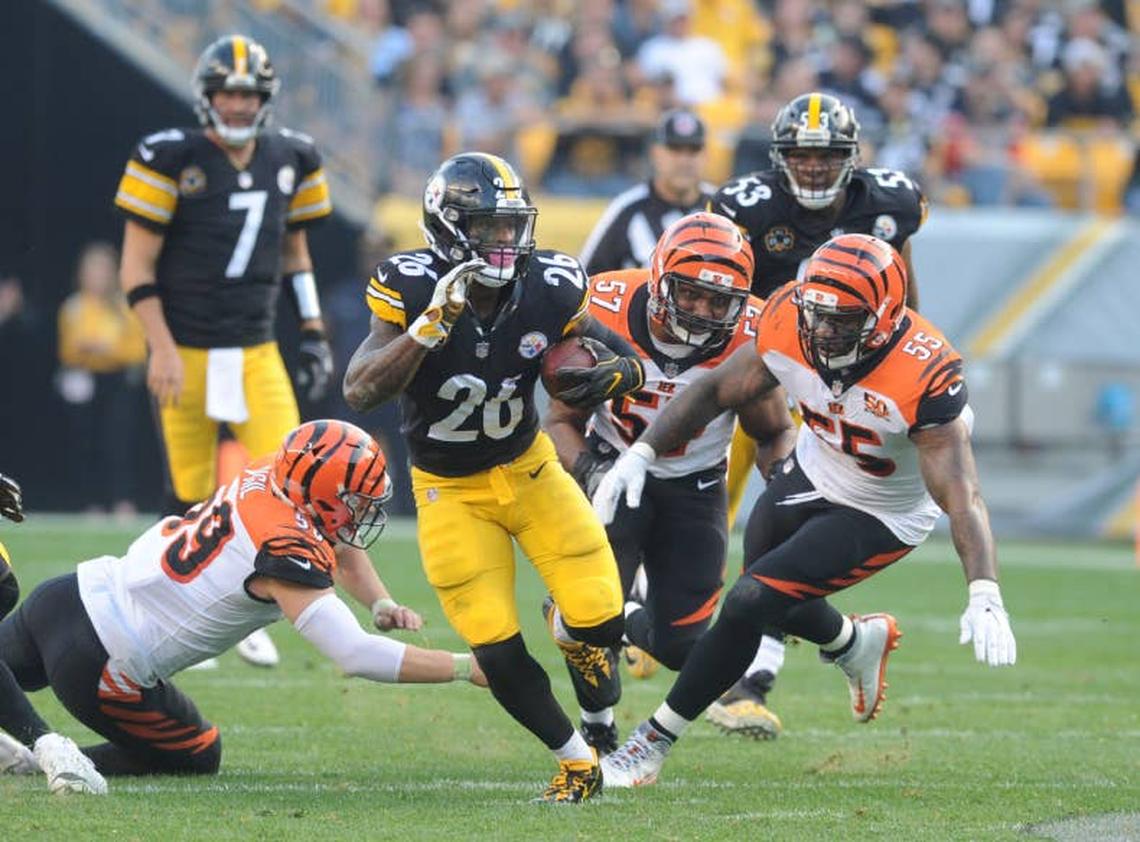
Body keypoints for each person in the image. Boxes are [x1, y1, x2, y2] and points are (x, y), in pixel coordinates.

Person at [591, 234, 1017, 788]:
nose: (822, 331)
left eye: (843, 321)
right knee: (765, 592)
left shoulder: (924, 376)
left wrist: (984, 590)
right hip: (814, 468)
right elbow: (717, 390)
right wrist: (643, 453)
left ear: (885, 318)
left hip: (882, 509)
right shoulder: (789, 317)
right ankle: (851, 642)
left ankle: (651, 742)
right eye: (817, 315)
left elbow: (962, 495)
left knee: (749, 600)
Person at [343, 152, 647, 803]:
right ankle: (576, 761)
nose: (505, 242)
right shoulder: (410, 284)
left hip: (528, 466)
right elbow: (360, 388)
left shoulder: (551, 284)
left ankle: (591, 689)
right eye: (488, 228)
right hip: (449, 490)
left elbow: (616, 350)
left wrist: (626, 373)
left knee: (599, 610)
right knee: (494, 641)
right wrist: (428, 329)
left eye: (512, 226)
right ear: (450, 228)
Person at [0, 420, 487, 795]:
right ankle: (39, 757)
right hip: (100, 663)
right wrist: (467, 667)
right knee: (198, 752)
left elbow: (332, 537)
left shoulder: (272, 469)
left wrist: (379, 600)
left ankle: (24, 747)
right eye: (356, 501)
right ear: (322, 494)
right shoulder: (283, 550)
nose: (362, 513)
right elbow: (354, 654)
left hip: (67, 594)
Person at [115, 34, 336, 667]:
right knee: (185, 493)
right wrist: (159, 347)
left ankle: (249, 610)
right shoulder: (167, 156)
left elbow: (296, 254)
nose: (238, 105)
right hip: (185, 346)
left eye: (248, 94)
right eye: (228, 93)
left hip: (255, 346)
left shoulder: (293, 156)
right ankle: (171, 612)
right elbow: (137, 264)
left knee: (288, 485)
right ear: (207, 95)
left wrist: (315, 329)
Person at [711, 92, 930, 732]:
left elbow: (904, 300)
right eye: (801, 156)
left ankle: (754, 677)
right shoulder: (746, 207)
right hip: (763, 369)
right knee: (706, 511)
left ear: (850, 158)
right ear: (781, 158)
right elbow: (720, 292)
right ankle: (656, 620)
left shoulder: (888, 203)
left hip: (844, 387)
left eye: (826, 155)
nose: (811, 168)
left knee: (785, 534)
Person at [544, 212, 796, 753]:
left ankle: (612, 617)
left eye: (718, 300)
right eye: (690, 293)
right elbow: (559, 421)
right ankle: (597, 725)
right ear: (659, 279)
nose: (703, 311)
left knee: (684, 646)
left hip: (695, 484)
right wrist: (592, 472)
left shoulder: (751, 334)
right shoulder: (607, 307)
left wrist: (787, 487)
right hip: (611, 470)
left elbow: (774, 431)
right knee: (591, 616)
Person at [56, 242, 148, 517]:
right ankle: (90, 502)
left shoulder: (124, 306)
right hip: (85, 380)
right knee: (85, 443)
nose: (96, 276)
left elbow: (138, 349)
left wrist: (112, 351)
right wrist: (85, 350)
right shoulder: (73, 307)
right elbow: (66, 350)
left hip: (118, 381)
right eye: (91, 270)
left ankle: (123, 500)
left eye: (102, 269)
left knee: (118, 442)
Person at [578, 109, 715, 276]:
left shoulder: (721, 208)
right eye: (675, 149)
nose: (684, 160)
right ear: (655, 153)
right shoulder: (626, 208)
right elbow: (588, 277)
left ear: (706, 155)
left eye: (693, 150)